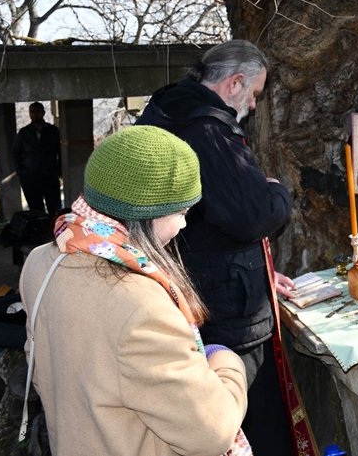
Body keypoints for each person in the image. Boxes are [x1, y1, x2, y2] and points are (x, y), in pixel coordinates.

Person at [19, 126, 248, 455]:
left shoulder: (41, 262)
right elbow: (213, 432)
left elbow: (42, 372)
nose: (184, 225)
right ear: (147, 214)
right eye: (182, 213)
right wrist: (226, 361)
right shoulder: (141, 307)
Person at [136, 39, 296, 455]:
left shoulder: (167, 111)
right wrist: (278, 192)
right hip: (228, 309)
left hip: (193, 284)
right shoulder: (206, 129)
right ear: (234, 82)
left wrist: (263, 272)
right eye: (255, 93)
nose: (255, 105)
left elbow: (209, 217)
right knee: (250, 416)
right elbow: (251, 215)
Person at [13, 101, 62, 215]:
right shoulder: (24, 132)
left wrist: (59, 170)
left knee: (54, 208)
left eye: (37, 111)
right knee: (36, 211)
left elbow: (60, 151)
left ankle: (54, 226)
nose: (35, 114)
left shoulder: (53, 131)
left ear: (43, 113)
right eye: (32, 112)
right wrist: (21, 173)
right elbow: (16, 153)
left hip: (49, 175)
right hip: (30, 177)